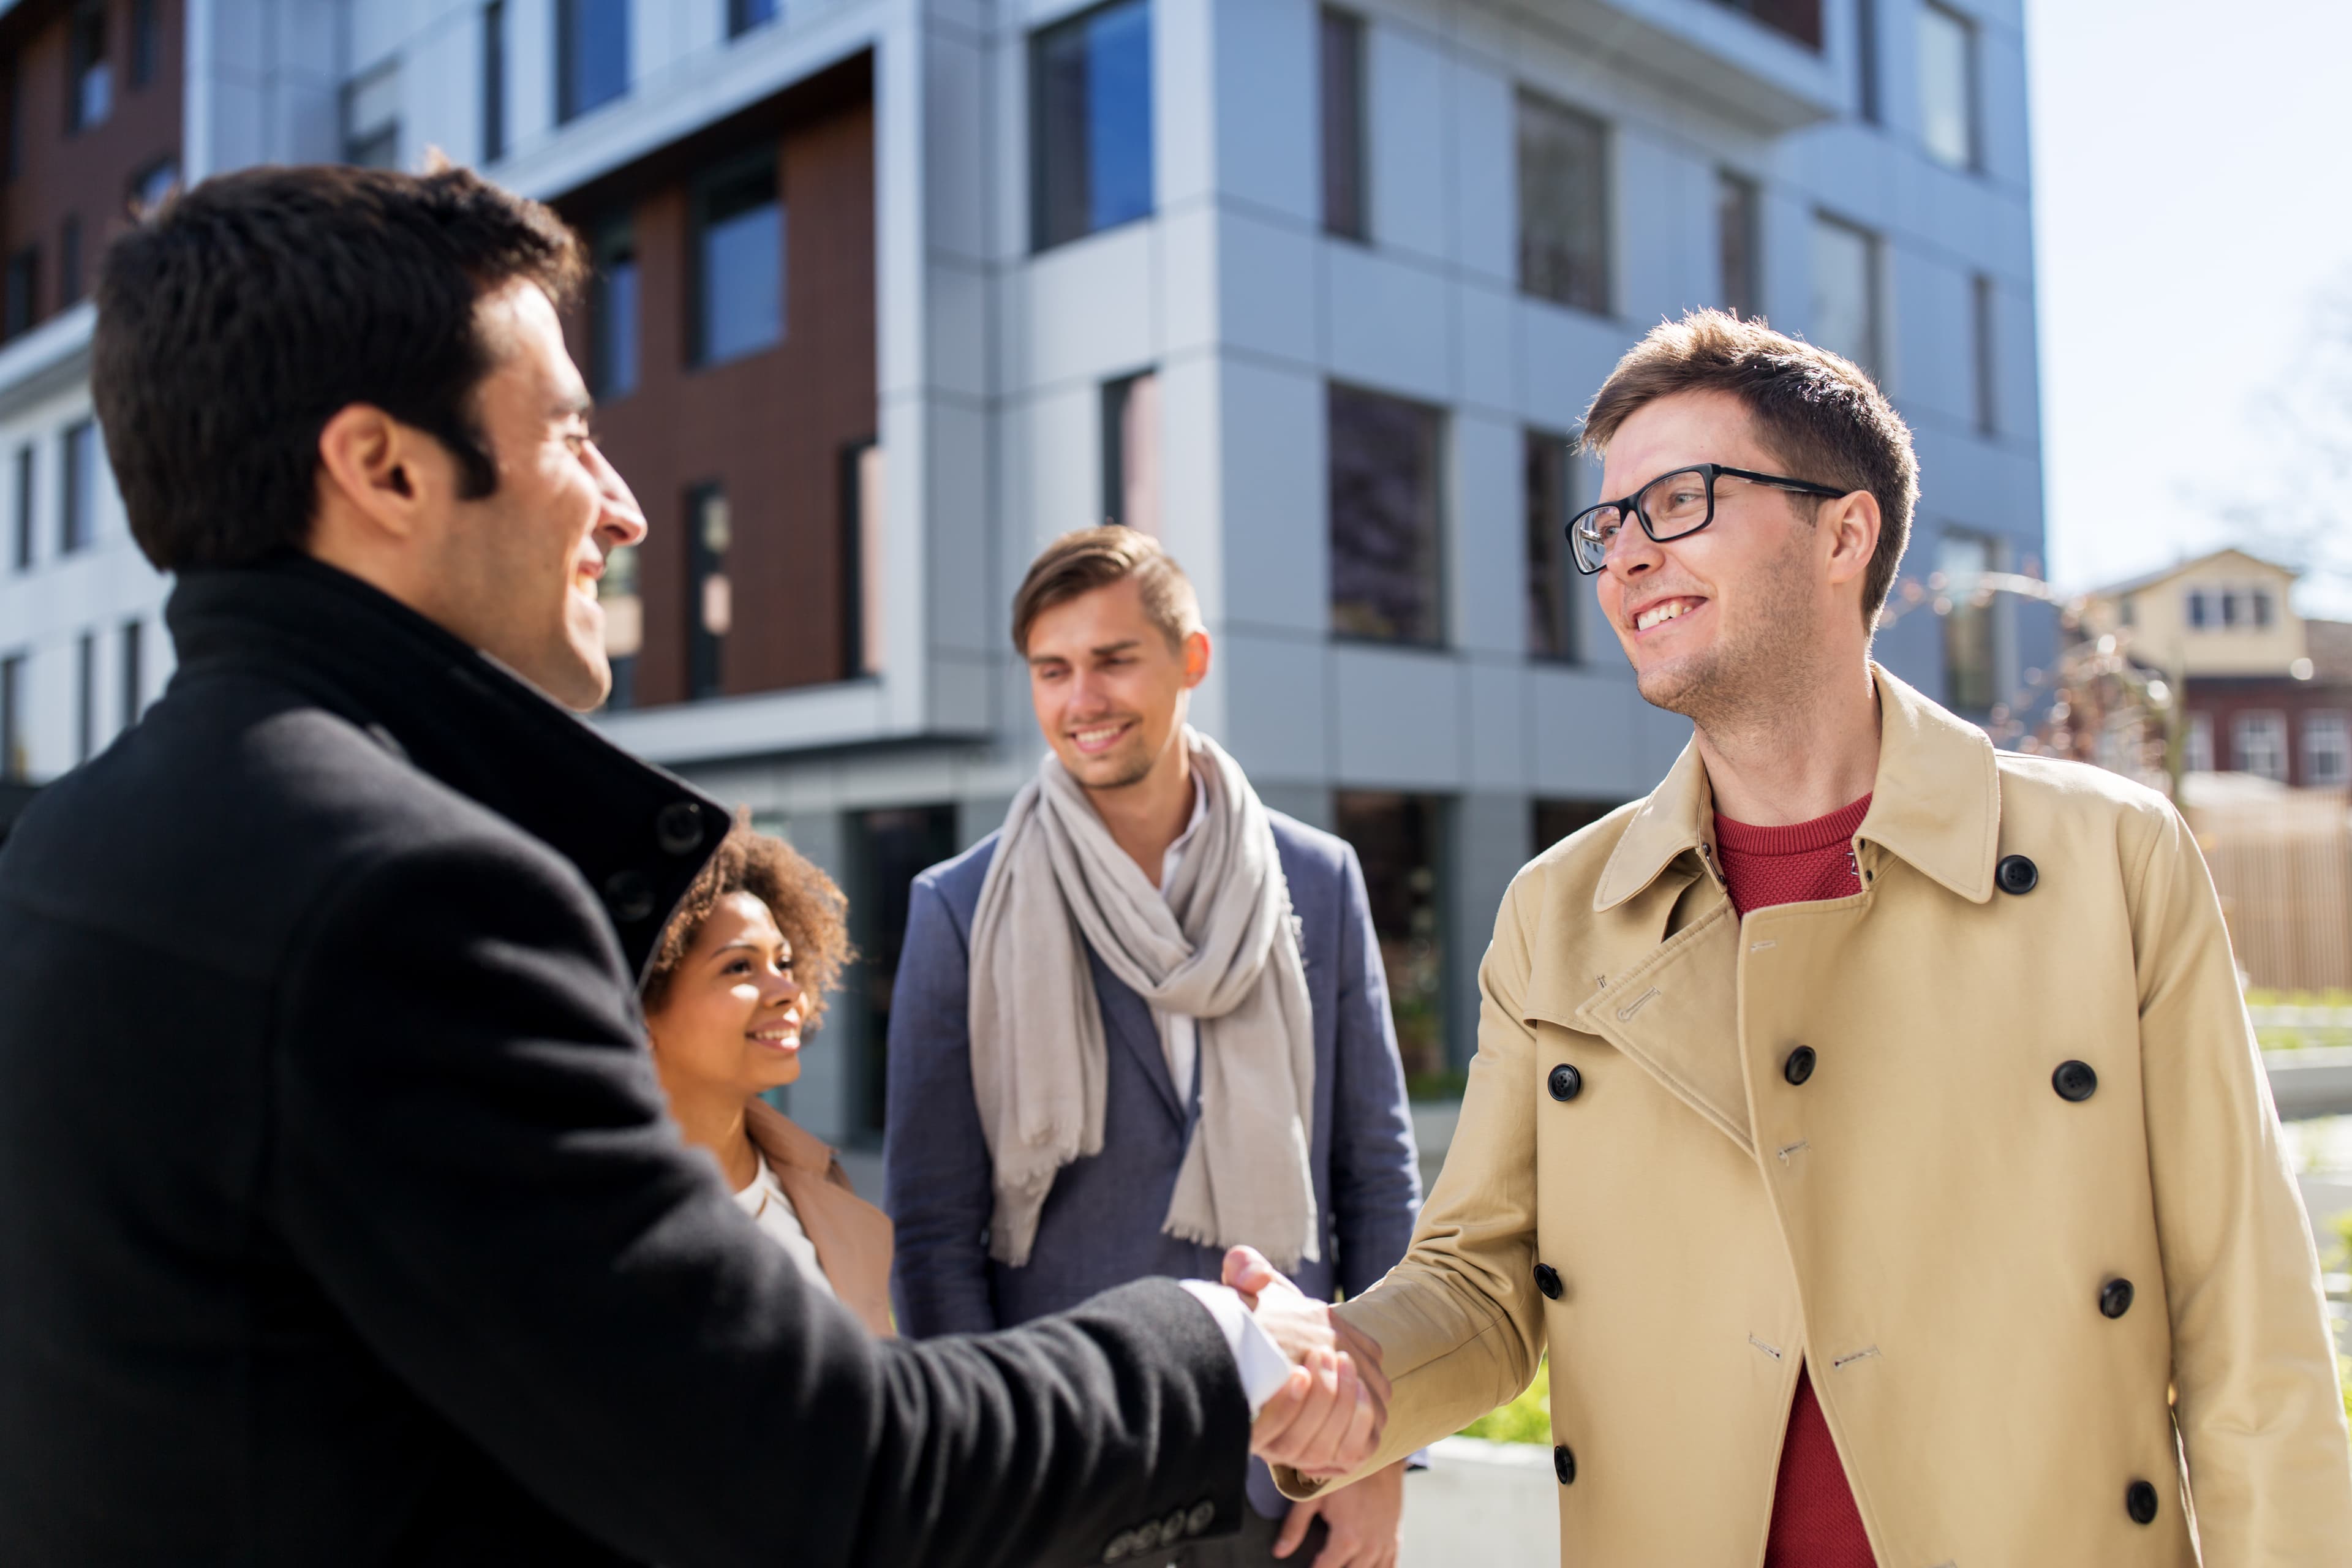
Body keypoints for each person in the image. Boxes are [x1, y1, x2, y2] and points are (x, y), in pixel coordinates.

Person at [0, 164, 1385, 1566]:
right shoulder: (402, 899)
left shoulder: (73, 842)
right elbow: (823, 1475)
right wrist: (1214, 1338)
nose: (624, 508)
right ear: (386, 468)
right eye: (570, 434)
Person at [1262, 311, 2352, 1564]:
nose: (1625, 557)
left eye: (1679, 501)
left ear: (1846, 531)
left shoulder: (2112, 861)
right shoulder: (1558, 912)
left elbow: (2248, 1324)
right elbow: (1480, 1279)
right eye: (1607, 524)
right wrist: (1346, 1370)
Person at [886, 527, 1424, 1568]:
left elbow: (1378, 1182)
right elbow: (934, 1228)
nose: (1081, 698)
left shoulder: (1319, 880)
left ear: (1192, 659)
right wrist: (986, 1475)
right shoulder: (959, 907)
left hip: (1293, 1476)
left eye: (1113, 658)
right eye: (1053, 669)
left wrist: (1382, 1459)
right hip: (1065, 1476)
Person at [641, 819, 892, 1336]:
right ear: (639, 1006)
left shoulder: (819, 1190)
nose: (787, 991)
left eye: (784, 961)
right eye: (738, 968)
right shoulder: (589, 1225)